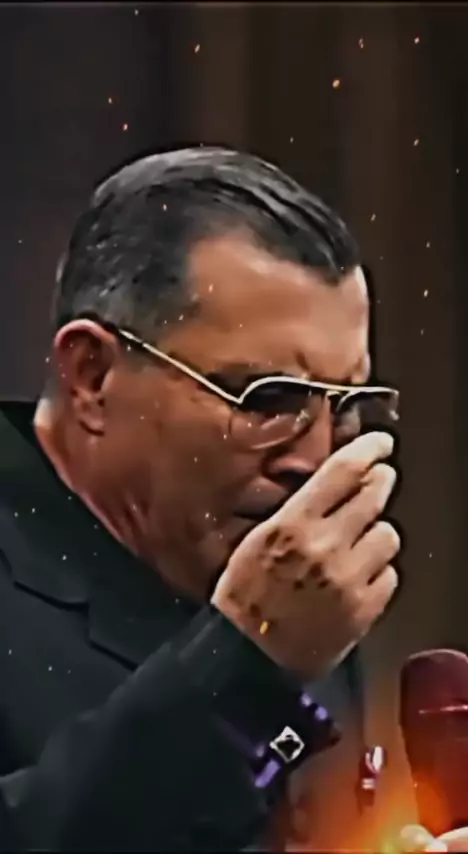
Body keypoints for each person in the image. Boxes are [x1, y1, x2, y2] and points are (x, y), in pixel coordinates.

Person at [0, 146, 401, 851]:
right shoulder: (276, 619)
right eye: (267, 399)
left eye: (344, 403)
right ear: (92, 376)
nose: (315, 461)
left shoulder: (301, 583)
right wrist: (243, 666)